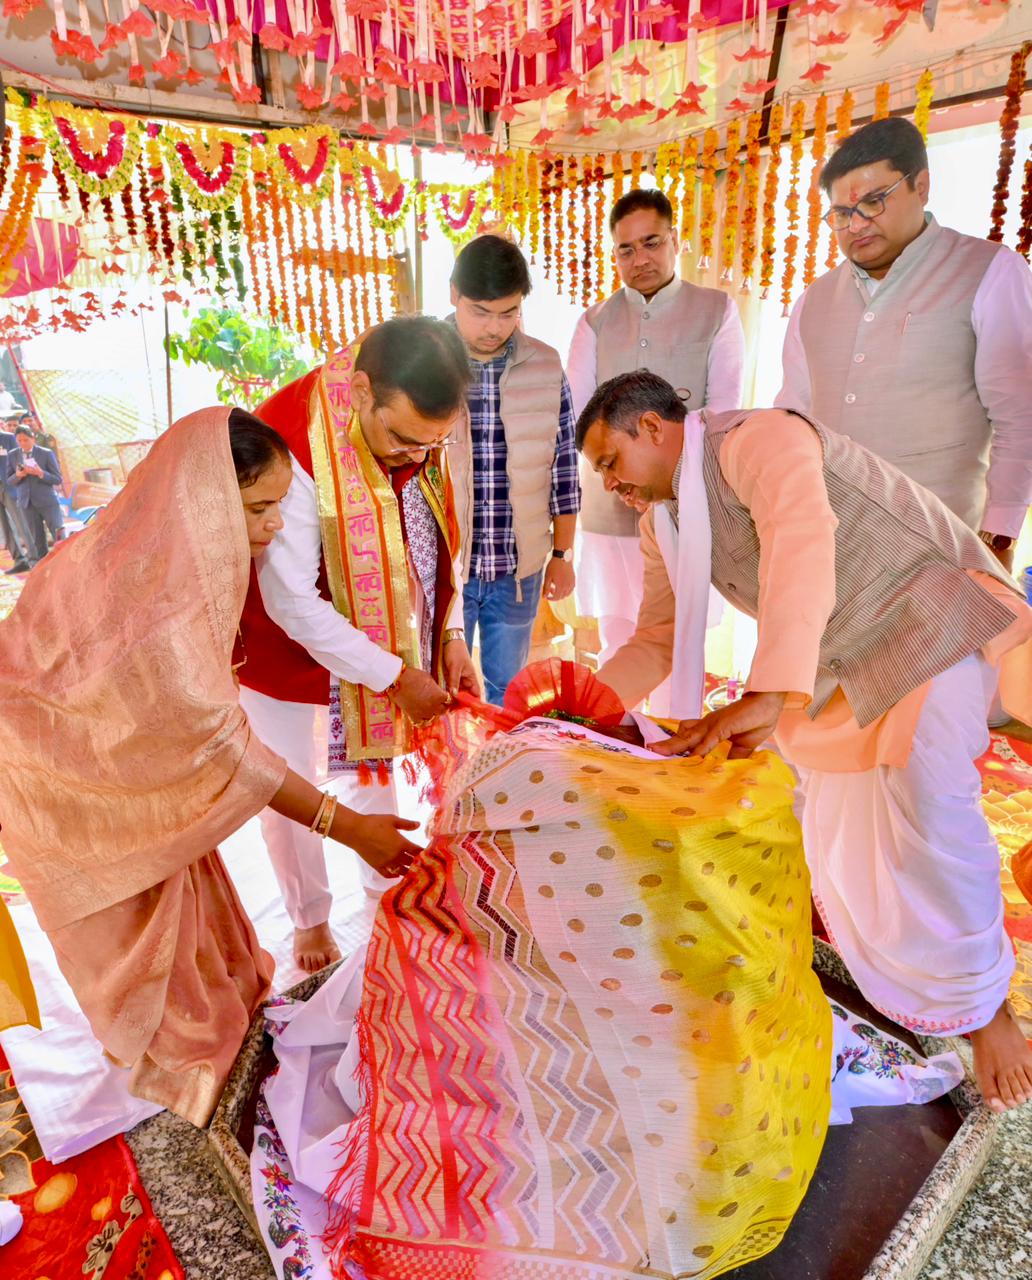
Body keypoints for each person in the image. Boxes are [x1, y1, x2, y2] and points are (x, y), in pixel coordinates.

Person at [249, 664, 963, 1280]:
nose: (620, 491)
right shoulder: (640, 813)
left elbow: (436, 889)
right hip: (731, 1074)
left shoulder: (523, 794)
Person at [577, 370, 1032, 1114]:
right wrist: (582, 707)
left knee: (934, 824)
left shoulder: (759, 439)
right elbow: (656, 637)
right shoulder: (663, 525)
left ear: (652, 430)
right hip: (838, 674)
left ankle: (992, 1012)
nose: (613, 486)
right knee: (840, 848)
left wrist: (765, 696)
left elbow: (800, 542)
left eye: (610, 464)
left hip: (925, 627)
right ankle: (929, 1001)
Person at [0, 407, 423, 1127]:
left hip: (114, 779)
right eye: (259, 509)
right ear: (204, 503)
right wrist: (353, 829)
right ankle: (188, 1104)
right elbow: (228, 754)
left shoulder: (148, 555)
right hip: (62, 795)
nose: (276, 527)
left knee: (212, 957)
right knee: (176, 1016)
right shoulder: (163, 609)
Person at [238, 316, 479, 973]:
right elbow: (291, 602)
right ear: (363, 390)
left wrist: (447, 632)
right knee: (287, 789)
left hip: (386, 635)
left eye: (431, 444)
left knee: (378, 776)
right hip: (279, 650)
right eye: (402, 440)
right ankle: (309, 917)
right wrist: (398, 677)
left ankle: (389, 898)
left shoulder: (423, 426)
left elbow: (436, 537)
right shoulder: (291, 439)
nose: (416, 457)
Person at [776, 116, 1032, 571]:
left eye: (873, 202)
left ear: (922, 186)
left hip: (944, 551)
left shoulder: (988, 272)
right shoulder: (813, 300)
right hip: (833, 546)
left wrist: (1000, 535)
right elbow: (791, 419)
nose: (855, 226)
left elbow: (1019, 415)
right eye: (841, 214)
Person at [565, 188, 745, 685]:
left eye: (651, 243)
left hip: (686, 502)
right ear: (614, 254)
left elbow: (722, 410)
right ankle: (614, 744)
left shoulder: (716, 310)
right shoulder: (595, 322)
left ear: (674, 240)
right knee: (617, 632)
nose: (639, 259)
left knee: (679, 637)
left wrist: (665, 473)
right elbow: (577, 412)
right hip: (610, 506)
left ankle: (670, 749)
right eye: (626, 249)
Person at [446, 234, 581, 704]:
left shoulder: (545, 364)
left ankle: (501, 776)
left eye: (508, 313)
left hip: (517, 570)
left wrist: (562, 555)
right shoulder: (427, 361)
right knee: (447, 691)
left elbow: (564, 466)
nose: (494, 327)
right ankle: (448, 778)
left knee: (508, 689)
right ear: (454, 296)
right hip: (447, 570)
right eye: (480, 312)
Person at [5, 423, 64, 565]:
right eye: (19, 441)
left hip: (47, 502)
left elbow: (57, 479)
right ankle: (44, 569)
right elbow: (9, 480)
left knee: (59, 536)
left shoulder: (45, 453)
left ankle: (64, 564)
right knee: (37, 540)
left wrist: (40, 473)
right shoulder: (13, 455)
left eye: (26, 440)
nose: (23, 443)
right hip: (26, 503)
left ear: (33, 438)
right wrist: (18, 475)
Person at [0, 426, 32, 573]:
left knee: (21, 524)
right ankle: (19, 559)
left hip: (9, 487)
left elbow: (19, 461)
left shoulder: (7, 438)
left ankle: (34, 557)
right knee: (5, 527)